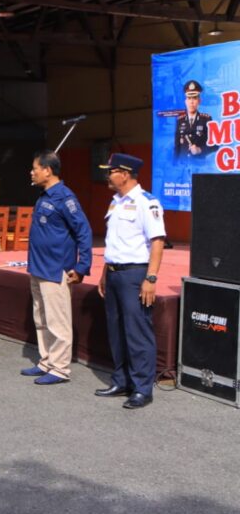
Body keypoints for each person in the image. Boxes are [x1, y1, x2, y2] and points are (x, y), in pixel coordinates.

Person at [96, 152, 165, 410]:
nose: (107, 175)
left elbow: (157, 241)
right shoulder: (115, 201)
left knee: (137, 332)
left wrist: (151, 278)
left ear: (124, 174)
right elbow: (114, 241)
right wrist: (105, 273)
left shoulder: (147, 202)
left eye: (111, 171)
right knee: (116, 331)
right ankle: (121, 380)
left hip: (135, 274)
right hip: (114, 273)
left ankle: (142, 388)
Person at [22, 150, 92, 385]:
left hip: (55, 269)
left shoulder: (65, 198)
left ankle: (60, 368)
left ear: (48, 170)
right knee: (41, 319)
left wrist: (82, 266)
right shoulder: (44, 196)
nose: (31, 173)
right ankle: (46, 361)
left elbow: (84, 231)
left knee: (57, 321)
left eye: (35, 168)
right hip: (38, 268)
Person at [174, 80, 211, 159]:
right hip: (183, 163)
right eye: (189, 98)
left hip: (199, 163)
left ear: (199, 101)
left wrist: (200, 150)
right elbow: (177, 146)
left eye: (194, 98)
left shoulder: (206, 119)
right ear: (185, 101)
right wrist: (175, 163)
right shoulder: (180, 120)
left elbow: (214, 145)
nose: (191, 102)